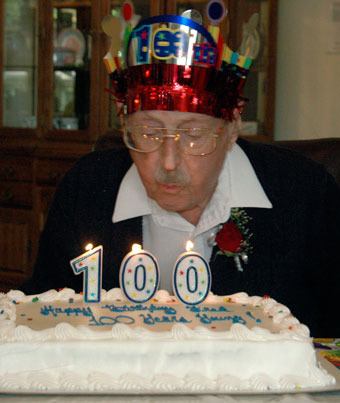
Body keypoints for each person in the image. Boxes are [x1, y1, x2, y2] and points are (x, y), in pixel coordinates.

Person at [21, 13, 340, 337]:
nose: (169, 162)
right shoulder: (86, 188)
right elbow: (40, 318)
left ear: (231, 129)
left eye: (193, 135)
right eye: (147, 133)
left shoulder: (306, 193)